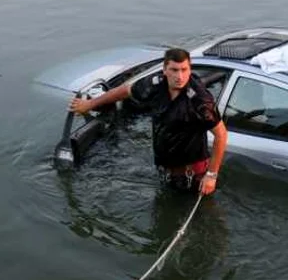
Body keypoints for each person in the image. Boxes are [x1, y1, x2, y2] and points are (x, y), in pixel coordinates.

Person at [69, 48, 228, 195]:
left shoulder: (200, 101)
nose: (180, 76)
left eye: (184, 70)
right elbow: (126, 90)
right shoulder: (155, 85)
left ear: (190, 69)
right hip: (164, 171)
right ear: (165, 70)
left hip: (193, 176)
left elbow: (221, 135)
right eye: (174, 70)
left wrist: (211, 176)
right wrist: (91, 104)